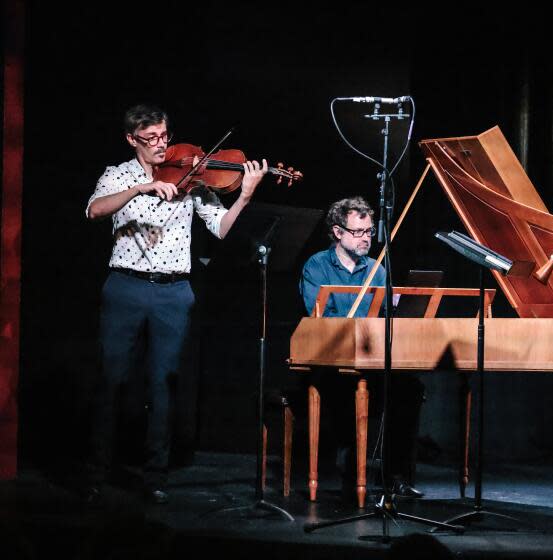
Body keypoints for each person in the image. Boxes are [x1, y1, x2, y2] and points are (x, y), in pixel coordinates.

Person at [84, 104, 269, 504]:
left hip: (173, 292)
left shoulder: (191, 177)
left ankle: (155, 477)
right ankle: (96, 473)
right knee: (112, 381)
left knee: (164, 384)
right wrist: (140, 188)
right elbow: (94, 210)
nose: (160, 145)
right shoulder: (117, 175)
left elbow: (220, 229)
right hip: (126, 288)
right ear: (132, 139)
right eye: (150, 139)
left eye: (164, 136)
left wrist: (246, 195)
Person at [299, 196, 425, 500]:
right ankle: (352, 472)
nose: (366, 238)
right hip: (330, 358)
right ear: (338, 232)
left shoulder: (377, 270)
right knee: (351, 388)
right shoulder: (317, 266)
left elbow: (384, 317)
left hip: (369, 357)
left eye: (369, 231)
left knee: (409, 388)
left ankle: (394, 475)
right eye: (358, 232)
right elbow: (321, 320)